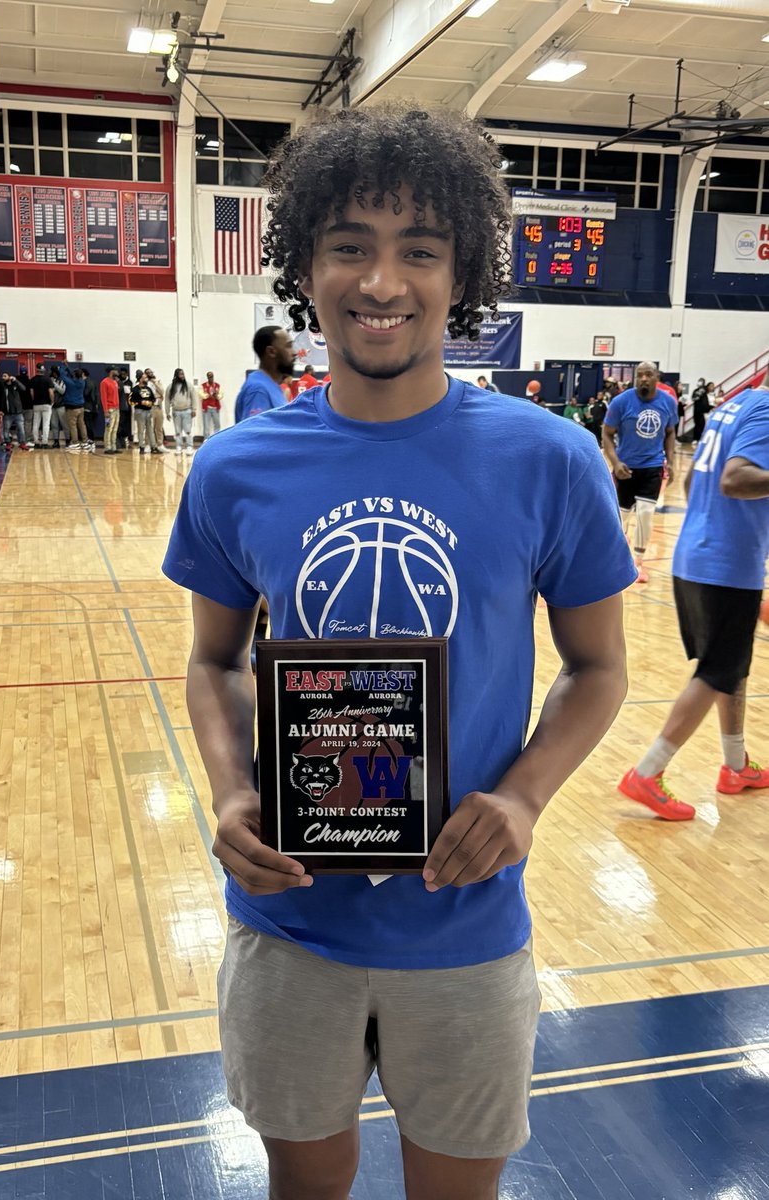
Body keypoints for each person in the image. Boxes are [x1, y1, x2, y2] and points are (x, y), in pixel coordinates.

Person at [162, 104, 635, 1200]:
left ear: (458, 270)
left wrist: (519, 800)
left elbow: (597, 666)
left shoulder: (548, 459)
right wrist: (232, 794)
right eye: (349, 247)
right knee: (305, 1186)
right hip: (289, 925)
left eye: (417, 250)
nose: (381, 281)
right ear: (305, 267)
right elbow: (216, 662)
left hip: (464, 927)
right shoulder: (235, 467)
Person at [619, 374, 769, 820]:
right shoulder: (765, 413)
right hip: (725, 565)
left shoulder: (733, 407)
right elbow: (736, 479)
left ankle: (736, 765)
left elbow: (690, 484)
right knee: (718, 671)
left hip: (698, 555)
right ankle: (647, 772)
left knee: (730, 667)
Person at [602, 361, 678, 584]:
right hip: (626, 468)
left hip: (653, 466)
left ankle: (638, 563)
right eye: (640, 375)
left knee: (645, 513)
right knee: (621, 517)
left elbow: (671, 432)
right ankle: (615, 559)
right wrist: (615, 462)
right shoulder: (621, 402)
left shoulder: (667, 402)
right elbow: (606, 434)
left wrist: (671, 461)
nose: (644, 379)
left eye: (648, 375)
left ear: (657, 378)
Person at [234, 326, 296, 422]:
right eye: (288, 346)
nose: (294, 352)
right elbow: (254, 434)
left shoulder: (271, 386)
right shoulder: (258, 390)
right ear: (271, 352)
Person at [59, 363, 94, 453]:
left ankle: (75, 442)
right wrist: (68, 366)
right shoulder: (82, 382)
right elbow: (74, 374)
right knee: (82, 425)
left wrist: (63, 366)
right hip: (81, 407)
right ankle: (85, 442)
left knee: (73, 426)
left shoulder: (70, 383)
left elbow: (62, 375)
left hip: (72, 408)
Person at [165, 368, 196, 456]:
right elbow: (167, 400)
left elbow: (194, 397)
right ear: (176, 375)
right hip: (176, 412)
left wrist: (194, 409)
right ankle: (179, 446)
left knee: (188, 430)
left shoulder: (188, 385)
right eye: (180, 374)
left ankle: (189, 446)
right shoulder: (170, 387)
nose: (182, 376)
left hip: (187, 411)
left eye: (183, 374)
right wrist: (167, 412)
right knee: (178, 431)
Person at [130, 372, 161, 454]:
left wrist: (151, 402)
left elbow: (153, 398)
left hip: (149, 411)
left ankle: (153, 447)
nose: (146, 379)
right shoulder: (135, 389)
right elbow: (130, 401)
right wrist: (141, 402)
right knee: (141, 430)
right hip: (140, 411)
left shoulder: (149, 389)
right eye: (144, 378)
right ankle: (141, 447)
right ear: (140, 379)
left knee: (150, 429)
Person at [1, 372, 31, 451]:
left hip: (18, 412)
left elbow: (23, 388)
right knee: (6, 429)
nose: (3, 377)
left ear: (9, 376)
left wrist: (16, 380)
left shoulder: (15, 385)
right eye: (2, 376)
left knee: (21, 429)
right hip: (7, 413)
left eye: (5, 376)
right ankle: (8, 443)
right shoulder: (2, 386)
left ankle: (22, 443)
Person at [29, 362, 54, 448]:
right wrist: (52, 401)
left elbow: (31, 393)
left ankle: (36, 442)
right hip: (46, 404)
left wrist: (34, 400)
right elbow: (51, 392)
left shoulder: (33, 379)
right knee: (46, 424)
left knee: (36, 424)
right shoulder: (48, 379)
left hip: (36, 404)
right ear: (43, 370)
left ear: (36, 370)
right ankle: (44, 443)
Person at [101, 366, 122, 455]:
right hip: (109, 409)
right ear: (111, 371)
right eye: (115, 370)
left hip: (117, 409)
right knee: (108, 428)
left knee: (115, 429)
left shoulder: (115, 382)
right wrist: (105, 410)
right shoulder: (104, 382)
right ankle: (107, 447)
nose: (117, 372)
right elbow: (103, 397)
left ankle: (114, 446)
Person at [48, 365, 70, 449]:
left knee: (65, 424)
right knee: (54, 424)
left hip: (61, 405)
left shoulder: (61, 380)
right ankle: (56, 441)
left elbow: (62, 391)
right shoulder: (48, 380)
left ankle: (67, 440)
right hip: (53, 406)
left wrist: (54, 385)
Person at [145, 369, 166, 451]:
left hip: (158, 407)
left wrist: (155, 383)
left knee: (159, 427)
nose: (150, 374)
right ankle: (148, 444)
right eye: (148, 373)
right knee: (149, 427)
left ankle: (160, 444)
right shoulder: (144, 383)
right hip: (149, 408)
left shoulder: (157, 382)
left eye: (151, 372)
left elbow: (162, 392)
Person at [199, 371, 223, 438]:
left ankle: (216, 439)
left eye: (212, 376)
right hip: (207, 408)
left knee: (217, 424)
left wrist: (216, 396)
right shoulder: (203, 386)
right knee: (206, 426)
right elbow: (201, 394)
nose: (211, 378)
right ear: (207, 377)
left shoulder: (217, 386)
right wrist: (208, 395)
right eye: (209, 377)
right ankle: (206, 440)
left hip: (215, 408)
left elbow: (221, 395)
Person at [81, 369, 100, 445]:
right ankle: (90, 438)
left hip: (87, 405)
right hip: (92, 405)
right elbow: (97, 394)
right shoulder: (93, 382)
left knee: (87, 423)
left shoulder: (86, 382)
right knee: (89, 422)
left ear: (83, 374)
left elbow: (86, 393)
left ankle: (90, 439)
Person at [117, 367, 133, 449]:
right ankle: (119, 439)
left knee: (126, 424)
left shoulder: (129, 383)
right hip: (119, 406)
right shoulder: (118, 382)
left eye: (124, 374)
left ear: (126, 374)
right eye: (121, 374)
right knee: (120, 423)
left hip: (127, 407)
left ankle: (125, 438)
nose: (122, 375)